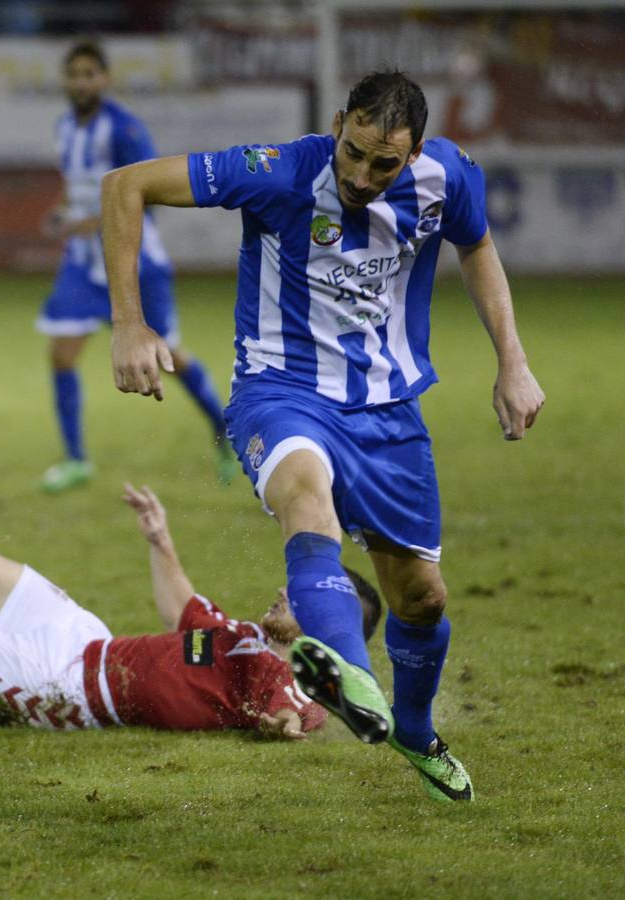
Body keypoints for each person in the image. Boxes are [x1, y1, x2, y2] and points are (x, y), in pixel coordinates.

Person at [103, 71, 546, 801]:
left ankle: (412, 728)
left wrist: (512, 361)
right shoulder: (278, 171)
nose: (362, 175)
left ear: (414, 154)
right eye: (353, 151)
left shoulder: (447, 177)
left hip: (387, 414)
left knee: (422, 600)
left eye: (383, 164)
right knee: (308, 504)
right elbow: (125, 185)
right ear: (338, 124)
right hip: (280, 394)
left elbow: (477, 248)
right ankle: (349, 672)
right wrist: (130, 323)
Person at [0, 484, 382, 741]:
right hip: (86, 641)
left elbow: (290, 722)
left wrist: (291, 723)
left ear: (333, 627)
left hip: (67, 690)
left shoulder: (290, 689)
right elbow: (182, 607)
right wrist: (160, 540)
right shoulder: (246, 636)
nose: (289, 590)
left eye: (307, 596)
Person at [35, 41, 234, 493]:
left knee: (170, 359)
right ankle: (76, 460)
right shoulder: (65, 127)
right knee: (61, 355)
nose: (82, 81)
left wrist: (86, 223)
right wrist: (61, 208)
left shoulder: (125, 130)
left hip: (136, 264)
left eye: (90, 73)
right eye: (74, 73)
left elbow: (143, 196)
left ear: (104, 80)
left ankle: (224, 432)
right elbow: (78, 184)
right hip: (84, 265)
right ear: (66, 80)